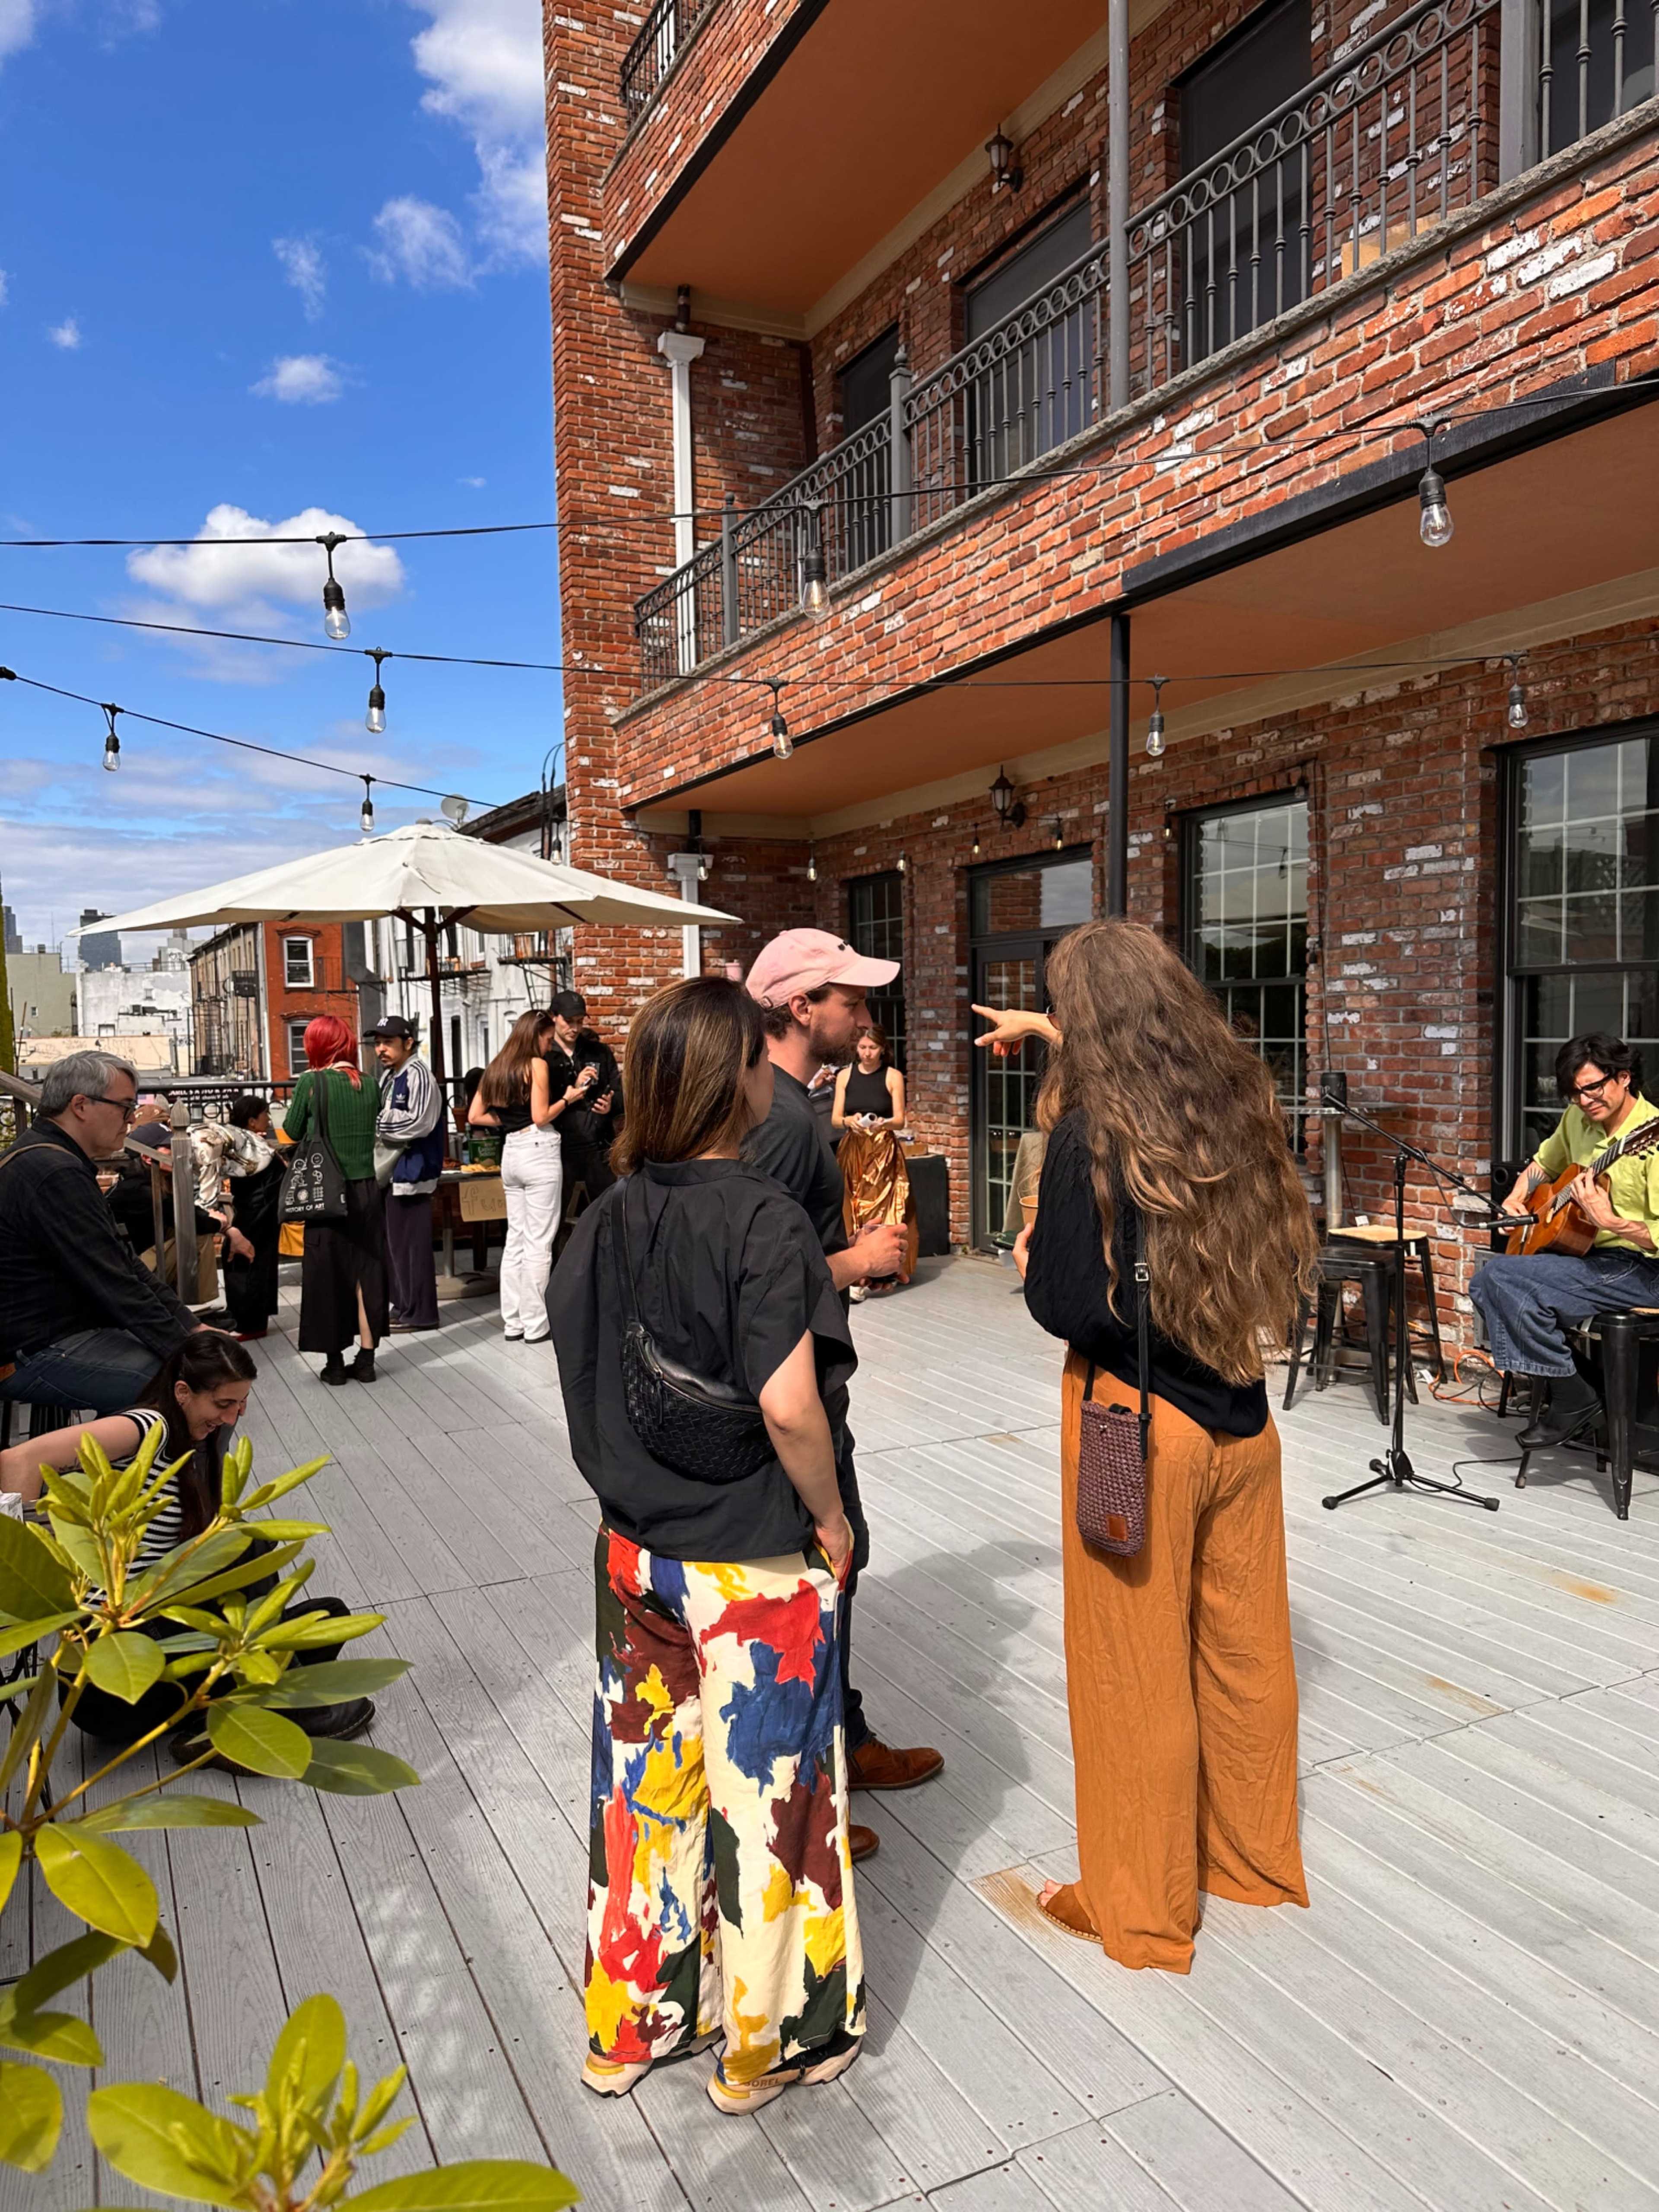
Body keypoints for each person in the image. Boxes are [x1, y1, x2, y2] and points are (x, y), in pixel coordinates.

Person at [974, 919, 1319, 1974]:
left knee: (1132, 1672)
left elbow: (1073, 1301)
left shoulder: (1090, 1137)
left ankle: (1139, 1909)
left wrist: (1033, 1251)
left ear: (1086, 1022)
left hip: (1139, 1426)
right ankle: (1252, 1860)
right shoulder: (1238, 1108)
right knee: (1248, 1653)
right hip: (1244, 1422)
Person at [548, 976, 864, 2117]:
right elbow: (789, 1408)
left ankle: (630, 2026)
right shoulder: (764, 1221)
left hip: (633, 1549)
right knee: (770, 1806)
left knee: (644, 1795)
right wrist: (830, 1519)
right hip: (749, 1561)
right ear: (733, 1078)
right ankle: (767, 2045)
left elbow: (582, 1371)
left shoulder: (605, 1215)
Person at [744, 929, 944, 1814]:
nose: (865, 1016)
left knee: (824, 1577)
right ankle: (813, 1785)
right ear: (800, 1007)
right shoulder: (784, 1125)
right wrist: (856, 1262)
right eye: (851, 1001)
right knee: (830, 1565)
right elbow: (749, 1281)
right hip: (798, 1391)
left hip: (804, 1380)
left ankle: (843, 1742)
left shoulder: (783, 1104)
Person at [0, 1332, 373, 1751]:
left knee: (325, 1616)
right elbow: (19, 1458)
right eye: (223, 1404)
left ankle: (217, 1715)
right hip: (112, 1683)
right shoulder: (152, 1425)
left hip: (157, 1641)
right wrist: (25, 1581)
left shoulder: (196, 1442)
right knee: (241, 1543)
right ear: (182, 1392)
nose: (232, 1417)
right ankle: (280, 1701)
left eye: (241, 1404)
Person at [1477, 1031, 1659, 1446]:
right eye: (1575, 1093)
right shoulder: (1578, 1118)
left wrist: (1608, 1219)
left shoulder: (1652, 1140)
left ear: (1624, 1077)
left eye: (1593, 1088)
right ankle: (1581, 1390)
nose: (1585, 1101)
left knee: (1501, 1281)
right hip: (1593, 1260)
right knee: (1487, 1280)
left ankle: (1576, 1396)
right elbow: (1543, 1164)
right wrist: (1518, 1200)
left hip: (1645, 1270)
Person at [0, 1049, 200, 1417]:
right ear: (80, 1105)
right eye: (125, 1107)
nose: (131, 1119)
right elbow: (114, 1283)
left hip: (55, 1334)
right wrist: (188, 1350)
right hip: (31, 1350)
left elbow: (123, 1265)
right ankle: (128, 1474)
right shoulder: (53, 1171)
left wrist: (191, 1327)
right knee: (194, 1391)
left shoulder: (54, 1159)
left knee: (190, 1373)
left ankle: (115, 1468)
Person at [470, 1010, 595, 1341]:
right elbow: (541, 1116)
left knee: (515, 1242)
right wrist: (568, 1098)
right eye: (546, 1037)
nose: (548, 1043)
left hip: (511, 1152)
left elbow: (475, 1115)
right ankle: (536, 1325)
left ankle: (513, 1323)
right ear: (535, 1035)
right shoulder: (535, 1065)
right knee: (539, 1242)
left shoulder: (497, 1065)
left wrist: (511, 1122)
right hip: (538, 1151)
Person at [283, 1016, 387, 1387]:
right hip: (367, 1191)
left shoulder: (312, 1082)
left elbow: (293, 1130)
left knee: (327, 1274)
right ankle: (368, 1358)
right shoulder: (372, 1085)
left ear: (317, 1047)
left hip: (326, 1192)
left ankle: (335, 1363)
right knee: (366, 1273)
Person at [372, 1016, 446, 1335]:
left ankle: (421, 1312)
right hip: (394, 1171)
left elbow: (417, 1123)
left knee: (413, 1246)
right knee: (397, 1245)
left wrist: (378, 1123)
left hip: (414, 1171)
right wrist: (385, 1120)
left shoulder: (419, 1075)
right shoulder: (390, 1076)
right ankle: (403, 1306)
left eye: (388, 1042)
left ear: (408, 1043)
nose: (381, 1049)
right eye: (378, 1043)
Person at [832, 1024, 917, 1300]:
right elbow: (835, 1119)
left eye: (873, 1048)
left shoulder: (893, 1076)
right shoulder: (845, 1075)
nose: (867, 1054)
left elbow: (901, 1119)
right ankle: (855, 1268)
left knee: (885, 1206)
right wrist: (849, 1121)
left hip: (883, 1149)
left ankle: (886, 1267)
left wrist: (884, 1123)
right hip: (854, 1147)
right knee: (851, 1204)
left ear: (883, 1050)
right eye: (863, 1048)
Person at [214, 1095, 285, 1341]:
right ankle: (249, 1318)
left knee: (245, 1257)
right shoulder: (247, 1142)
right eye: (265, 1114)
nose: (268, 1118)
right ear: (252, 1121)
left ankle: (249, 1322)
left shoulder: (241, 1140)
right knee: (251, 1257)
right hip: (260, 1207)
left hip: (258, 1208)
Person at [545, 989, 622, 1212]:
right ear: (554, 1017)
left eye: (580, 1022)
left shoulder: (598, 1051)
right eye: (569, 1022)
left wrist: (611, 1104)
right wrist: (571, 1087)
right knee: (559, 1221)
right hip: (561, 1150)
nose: (575, 1028)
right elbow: (539, 1103)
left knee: (606, 1216)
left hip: (599, 1147)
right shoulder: (545, 1055)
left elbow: (618, 1091)